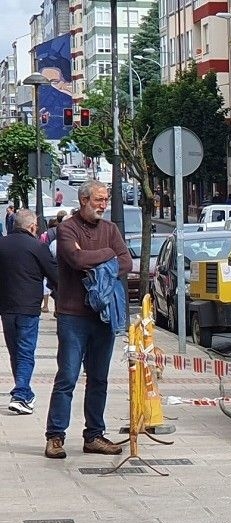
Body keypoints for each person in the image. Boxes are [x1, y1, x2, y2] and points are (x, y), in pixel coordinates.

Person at [44, 179, 132, 459]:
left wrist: (99, 256)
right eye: (98, 200)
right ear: (83, 200)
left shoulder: (110, 229)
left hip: (103, 316)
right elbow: (76, 260)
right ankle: (55, 436)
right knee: (67, 376)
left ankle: (94, 435)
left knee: (99, 379)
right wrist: (108, 255)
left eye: (106, 200)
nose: (103, 206)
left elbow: (127, 263)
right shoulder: (67, 228)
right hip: (73, 315)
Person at [0, 210, 58, 415]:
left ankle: (24, 393)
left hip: (6, 308)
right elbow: (55, 275)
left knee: (15, 351)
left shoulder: (2, 244)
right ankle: (20, 394)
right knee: (25, 351)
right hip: (29, 307)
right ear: (32, 227)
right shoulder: (37, 246)